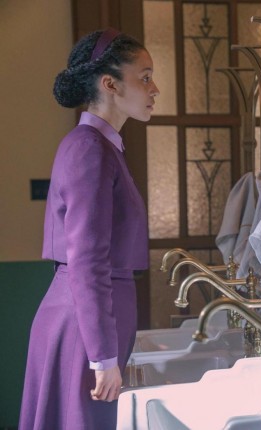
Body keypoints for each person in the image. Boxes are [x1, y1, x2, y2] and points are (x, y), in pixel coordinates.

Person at [19, 28, 159, 430]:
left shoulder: (100, 147)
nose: (155, 89)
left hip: (86, 319)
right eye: (145, 77)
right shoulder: (90, 148)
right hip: (84, 327)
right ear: (110, 84)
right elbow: (87, 259)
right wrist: (102, 356)